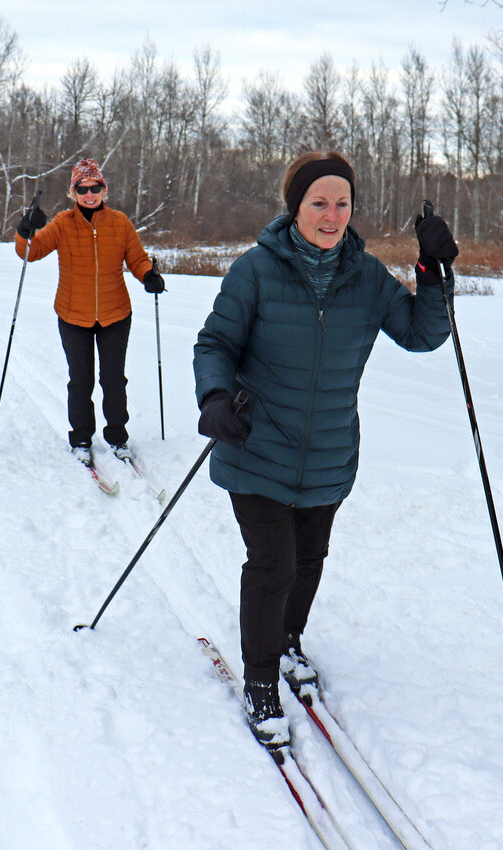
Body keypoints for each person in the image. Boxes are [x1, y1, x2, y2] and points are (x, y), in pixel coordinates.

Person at [193, 151, 458, 748]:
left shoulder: (365, 278)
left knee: (309, 561)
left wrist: (433, 272)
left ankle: (288, 641)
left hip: (329, 454)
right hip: (256, 446)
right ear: (296, 208)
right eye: (319, 202)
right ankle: (260, 680)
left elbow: (422, 334)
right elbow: (215, 342)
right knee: (273, 565)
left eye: (342, 203)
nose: (332, 214)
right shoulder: (255, 271)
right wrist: (214, 396)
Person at [15, 158, 165, 464]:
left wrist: (148, 274)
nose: (89, 194)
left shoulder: (120, 222)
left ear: (104, 190)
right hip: (72, 314)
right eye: (82, 189)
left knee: (113, 379)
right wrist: (25, 230)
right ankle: (81, 438)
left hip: (115, 314)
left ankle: (118, 437)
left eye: (95, 187)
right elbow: (30, 253)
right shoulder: (62, 223)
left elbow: (136, 258)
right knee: (80, 380)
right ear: (73, 193)